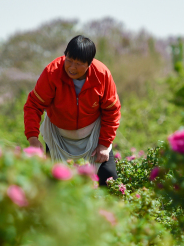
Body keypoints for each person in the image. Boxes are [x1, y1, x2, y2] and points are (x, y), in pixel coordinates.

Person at [24, 35, 120, 187]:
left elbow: (112, 110)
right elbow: (33, 105)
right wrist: (33, 139)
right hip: (57, 136)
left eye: (79, 63)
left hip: (94, 136)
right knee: (53, 186)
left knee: (109, 182)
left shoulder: (102, 75)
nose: (72, 67)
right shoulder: (52, 73)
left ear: (89, 63)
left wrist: (104, 144)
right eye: (69, 60)